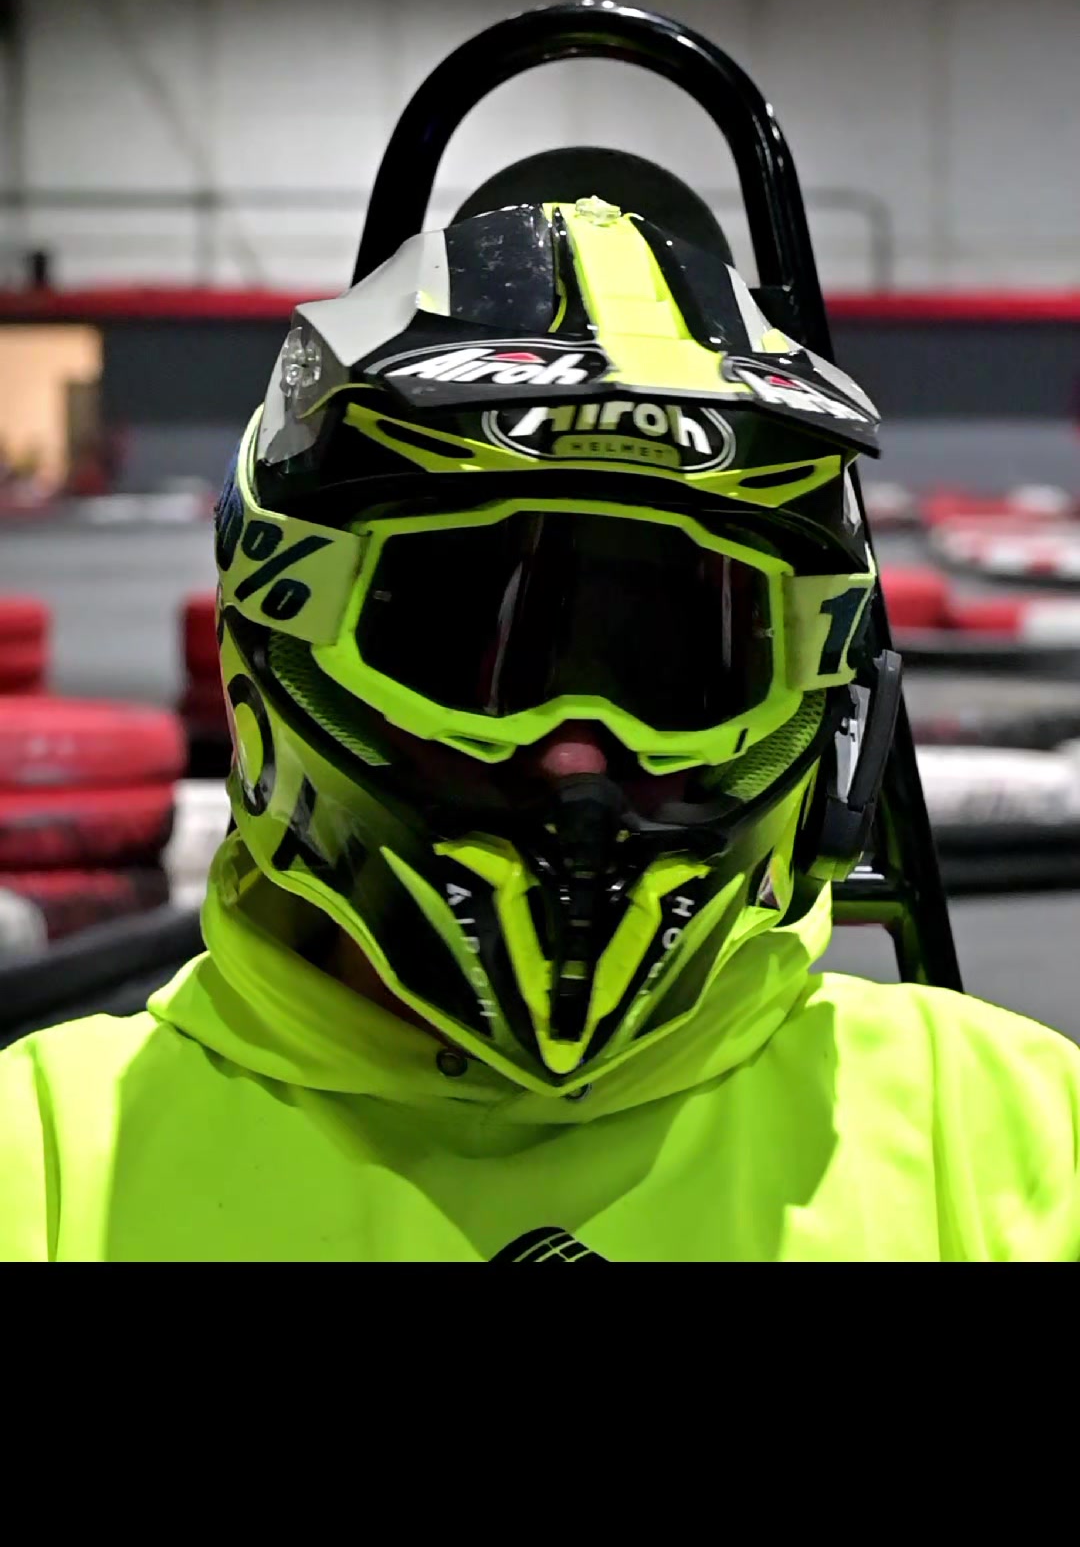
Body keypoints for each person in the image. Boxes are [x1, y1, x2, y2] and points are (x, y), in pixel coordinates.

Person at [1, 190, 1078, 1262]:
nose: (576, 756)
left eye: (671, 662)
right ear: (286, 642)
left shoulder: (1010, 1129)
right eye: (470, 643)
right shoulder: (43, 1160)